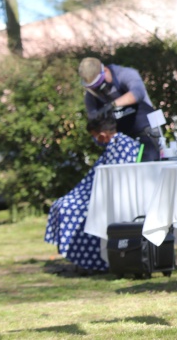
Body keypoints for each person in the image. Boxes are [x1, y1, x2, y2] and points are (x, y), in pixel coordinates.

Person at [44, 113, 141, 272]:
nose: (96, 140)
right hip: (95, 193)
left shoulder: (122, 145)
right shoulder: (115, 145)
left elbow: (116, 179)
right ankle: (83, 261)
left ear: (102, 135)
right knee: (60, 204)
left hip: (106, 198)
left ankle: (92, 262)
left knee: (67, 209)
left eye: (95, 136)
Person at [78, 57, 159, 162]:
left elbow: (137, 93)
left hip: (148, 128)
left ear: (105, 70)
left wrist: (112, 105)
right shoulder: (91, 97)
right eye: (92, 87)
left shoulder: (125, 74)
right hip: (123, 138)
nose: (96, 89)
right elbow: (94, 124)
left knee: (148, 163)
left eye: (98, 84)